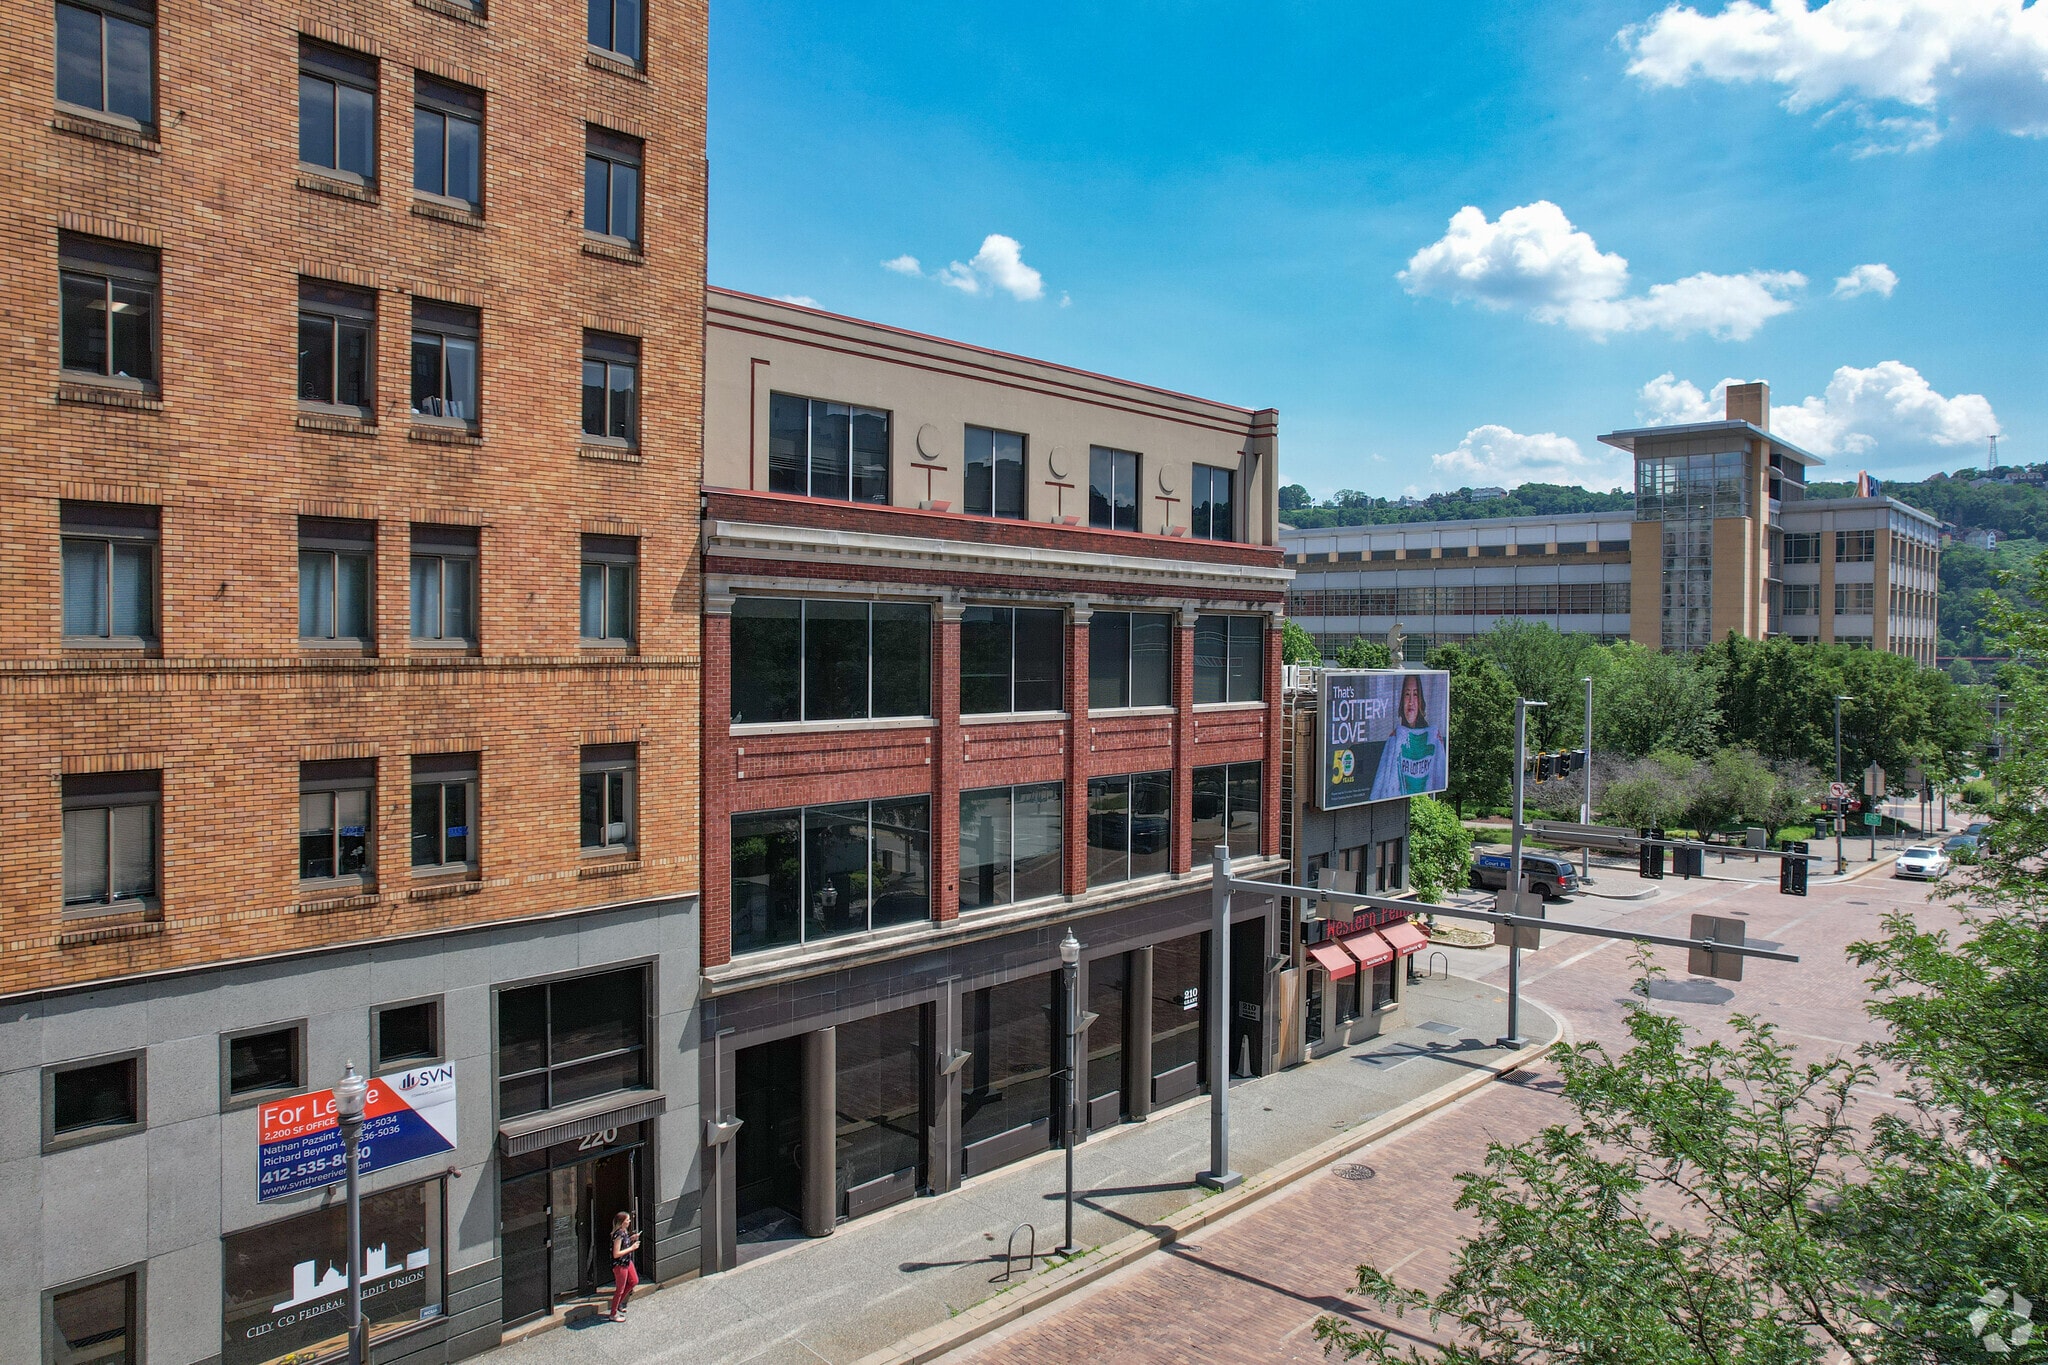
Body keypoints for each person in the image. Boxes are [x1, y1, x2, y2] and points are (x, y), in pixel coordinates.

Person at [1369, 673, 1448, 799]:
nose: (1411, 701)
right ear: (1402, 700)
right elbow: (1380, 788)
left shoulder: (1433, 737)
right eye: (1407, 694)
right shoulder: (1395, 739)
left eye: (1415, 694)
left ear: (1421, 700)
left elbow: (1440, 777)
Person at [607, 1210, 640, 1321]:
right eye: (627, 1220)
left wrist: (631, 1239)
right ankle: (613, 1314)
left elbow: (623, 1244)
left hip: (626, 1261)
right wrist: (632, 1248)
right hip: (620, 1264)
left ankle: (618, 1303)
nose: (629, 1221)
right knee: (619, 1289)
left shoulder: (624, 1232)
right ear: (622, 1222)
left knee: (634, 1281)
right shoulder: (618, 1234)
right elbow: (616, 1254)